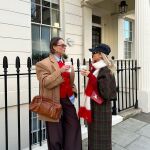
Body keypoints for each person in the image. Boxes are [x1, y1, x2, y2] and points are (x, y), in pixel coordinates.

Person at [35, 37, 82, 150]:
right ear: (54, 47)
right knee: (55, 135)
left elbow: (71, 82)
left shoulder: (66, 62)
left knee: (73, 127)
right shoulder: (43, 64)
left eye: (65, 45)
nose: (65, 47)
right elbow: (45, 82)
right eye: (62, 45)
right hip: (52, 102)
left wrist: (73, 93)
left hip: (67, 100)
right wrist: (60, 71)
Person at [79, 43, 117, 150]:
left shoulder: (105, 69)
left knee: (100, 138)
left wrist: (90, 75)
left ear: (101, 55)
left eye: (94, 52)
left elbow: (104, 92)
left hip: (101, 108)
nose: (92, 54)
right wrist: (90, 73)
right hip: (96, 107)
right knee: (94, 136)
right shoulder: (97, 68)